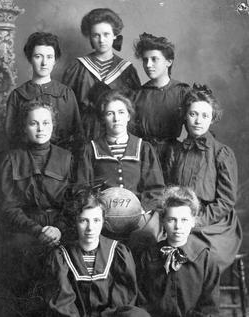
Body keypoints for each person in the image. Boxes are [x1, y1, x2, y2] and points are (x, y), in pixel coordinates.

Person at [164, 84, 242, 271]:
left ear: (212, 119)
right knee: (157, 242)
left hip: (213, 223)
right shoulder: (175, 151)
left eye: (205, 116)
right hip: (180, 216)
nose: (198, 121)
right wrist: (179, 217)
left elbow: (225, 201)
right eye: (193, 114)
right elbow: (167, 190)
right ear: (185, 115)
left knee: (194, 250)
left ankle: (198, 296)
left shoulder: (222, 153)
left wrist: (195, 221)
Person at [76, 90, 165, 250]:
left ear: (129, 116)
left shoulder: (143, 148)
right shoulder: (90, 149)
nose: (116, 118)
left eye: (121, 112)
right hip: (103, 222)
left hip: (138, 221)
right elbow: (83, 188)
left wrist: (141, 210)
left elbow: (156, 189)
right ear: (103, 118)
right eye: (110, 113)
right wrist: (97, 212)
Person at [44, 189, 150, 317]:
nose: (90, 228)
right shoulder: (61, 256)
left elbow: (122, 302)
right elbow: (62, 303)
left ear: (103, 221)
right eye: (83, 221)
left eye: (96, 220)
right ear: (75, 222)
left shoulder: (118, 252)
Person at [1, 101, 74, 288]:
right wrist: (37, 230)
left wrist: (58, 228)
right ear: (24, 128)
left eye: (46, 123)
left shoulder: (67, 158)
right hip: (27, 229)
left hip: (62, 228)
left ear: (53, 125)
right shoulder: (13, 159)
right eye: (34, 123)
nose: (40, 129)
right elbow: (10, 207)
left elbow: (73, 203)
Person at [138, 186, 220, 317]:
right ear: (163, 221)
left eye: (184, 220)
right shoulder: (149, 256)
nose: (178, 227)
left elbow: (209, 307)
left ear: (193, 221)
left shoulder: (205, 258)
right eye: (171, 220)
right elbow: (141, 301)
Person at [6, 32, 82, 150]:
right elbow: (11, 138)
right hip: (27, 161)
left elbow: (77, 135)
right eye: (38, 56)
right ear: (30, 59)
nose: (44, 63)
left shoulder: (66, 94)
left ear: (55, 60)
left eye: (49, 57)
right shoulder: (18, 95)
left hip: (62, 162)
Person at [62, 8, 141, 119]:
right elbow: (66, 106)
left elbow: (134, 108)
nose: (101, 40)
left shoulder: (126, 70)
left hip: (117, 129)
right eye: (96, 35)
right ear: (90, 37)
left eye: (106, 34)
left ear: (115, 35)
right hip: (84, 129)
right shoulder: (78, 67)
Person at [132, 33, 190, 165]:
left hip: (173, 157)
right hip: (143, 156)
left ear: (168, 62)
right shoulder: (137, 95)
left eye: (154, 59)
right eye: (145, 60)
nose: (148, 65)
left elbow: (195, 129)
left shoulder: (182, 92)